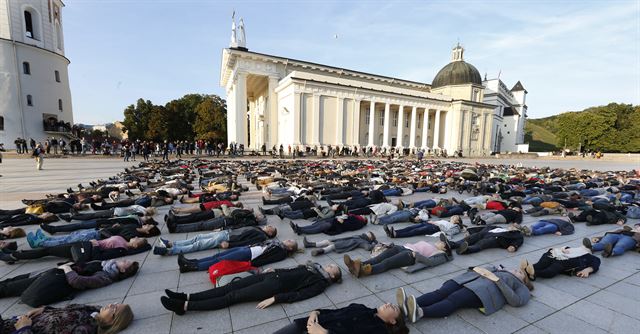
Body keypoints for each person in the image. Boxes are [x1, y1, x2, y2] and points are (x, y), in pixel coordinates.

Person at [161, 261, 342, 315]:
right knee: (228, 288)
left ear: (333, 276)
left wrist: (276, 298)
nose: (329, 265)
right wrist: (275, 269)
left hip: (273, 287)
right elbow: (292, 270)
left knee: (232, 296)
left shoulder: (320, 283)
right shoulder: (312, 267)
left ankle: (184, 306)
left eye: (333, 268)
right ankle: (186, 296)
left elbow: (301, 294)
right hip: (269, 276)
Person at [399, 264, 533, 323]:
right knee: (440, 292)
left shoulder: (521, 287)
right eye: (517, 269)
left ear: (524, 281)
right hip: (466, 280)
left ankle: (420, 312)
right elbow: (475, 269)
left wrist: (498, 280)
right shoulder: (498, 269)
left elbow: (516, 301)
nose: (517, 270)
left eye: (520, 273)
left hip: (482, 291)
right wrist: (491, 269)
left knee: (453, 300)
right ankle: (408, 306)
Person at [0, 260, 139, 304]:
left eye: (126, 263)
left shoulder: (105, 278)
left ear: (122, 271)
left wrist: (67, 268)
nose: (124, 260)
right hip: (52, 274)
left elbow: (76, 281)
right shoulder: (106, 265)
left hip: (54, 281)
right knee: (12, 281)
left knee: (8, 288)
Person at [343, 235, 453, 277]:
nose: (440, 241)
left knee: (387, 263)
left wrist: (417, 255)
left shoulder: (439, 253)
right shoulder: (430, 244)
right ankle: (357, 265)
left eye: (442, 243)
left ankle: (364, 271)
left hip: (410, 255)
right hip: (401, 248)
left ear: (444, 249)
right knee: (378, 258)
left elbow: (431, 263)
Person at [273, 303, 408, 334]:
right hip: (309, 323)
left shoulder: (379, 330)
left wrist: (324, 333)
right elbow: (335, 311)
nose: (389, 304)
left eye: (393, 308)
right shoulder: (361, 307)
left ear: (393, 321)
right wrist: (316, 312)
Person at [0, 303, 133, 334]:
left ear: (112, 320)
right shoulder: (93, 311)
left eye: (114, 308)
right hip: (10, 322)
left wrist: (24, 328)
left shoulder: (85, 329)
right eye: (115, 303)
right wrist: (45, 309)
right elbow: (65, 310)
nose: (110, 305)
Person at [177, 239, 299, 273]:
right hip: (247, 248)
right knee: (217, 256)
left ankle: (190, 266)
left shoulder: (281, 252)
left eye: (290, 242)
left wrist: (252, 265)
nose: (287, 240)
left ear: (289, 248)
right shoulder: (276, 243)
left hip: (249, 254)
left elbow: (268, 259)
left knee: (220, 260)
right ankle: (192, 262)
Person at [153, 225, 277, 256]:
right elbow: (239, 228)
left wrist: (230, 245)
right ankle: (170, 243)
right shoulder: (257, 228)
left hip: (228, 238)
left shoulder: (261, 236)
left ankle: (170, 251)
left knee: (199, 244)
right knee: (198, 237)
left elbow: (245, 243)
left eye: (270, 227)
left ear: (270, 233)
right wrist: (223, 228)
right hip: (226, 233)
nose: (268, 226)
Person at [520, 244, 600, 279]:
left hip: (563, 263)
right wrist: (562, 249)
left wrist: (588, 269)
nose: (583, 249)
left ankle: (532, 273)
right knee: (542, 263)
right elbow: (561, 248)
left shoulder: (589, 257)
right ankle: (529, 269)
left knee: (550, 271)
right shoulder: (571, 248)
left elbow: (597, 261)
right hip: (554, 255)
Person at [443, 225, 524, 255]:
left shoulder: (517, 235)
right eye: (512, 225)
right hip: (483, 233)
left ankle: (465, 250)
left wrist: (514, 246)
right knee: (470, 238)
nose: (512, 226)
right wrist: (470, 231)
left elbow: (518, 241)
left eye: (515, 226)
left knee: (481, 244)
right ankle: (451, 244)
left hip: (496, 239)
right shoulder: (499, 227)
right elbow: (484, 228)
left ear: (517, 229)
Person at [303, 231, 377, 256]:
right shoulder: (360, 236)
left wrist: (374, 243)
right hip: (340, 241)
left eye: (369, 233)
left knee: (332, 246)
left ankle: (320, 251)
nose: (366, 232)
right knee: (326, 241)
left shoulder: (363, 241)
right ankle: (309, 244)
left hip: (343, 245)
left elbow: (368, 247)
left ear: (369, 238)